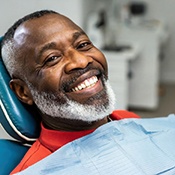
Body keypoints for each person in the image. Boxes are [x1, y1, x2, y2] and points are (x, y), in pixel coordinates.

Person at [1, 10, 140, 174]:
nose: (81, 61)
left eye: (83, 45)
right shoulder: (38, 169)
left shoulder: (128, 119)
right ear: (23, 91)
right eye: (52, 58)